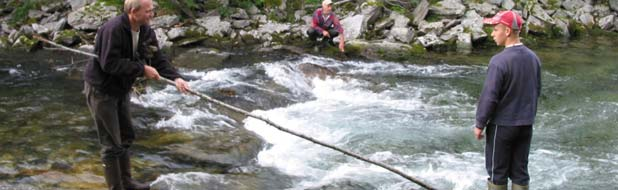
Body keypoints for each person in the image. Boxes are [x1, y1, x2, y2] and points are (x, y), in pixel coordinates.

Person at [83, 0, 190, 189]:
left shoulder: (146, 31)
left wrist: (176, 78)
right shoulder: (113, 29)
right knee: (111, 144)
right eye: (148, 11)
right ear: (133, 12)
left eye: (152, 11)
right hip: (101, 89)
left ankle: (127, 182)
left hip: (121, 89)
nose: (152, 14)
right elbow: (109, 64)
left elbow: (158, 58)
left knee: (126, 136)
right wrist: (142, 69)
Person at [474, 10, 541, 190]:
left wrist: (480, 123)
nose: (492, 33)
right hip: (525, 125)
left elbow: (490, 96)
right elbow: (536, 91)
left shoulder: (499, 61)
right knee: (520, 173)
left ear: (508, 31)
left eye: (496, 29)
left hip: (502, 127)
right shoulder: (534, 59)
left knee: (497, 174)